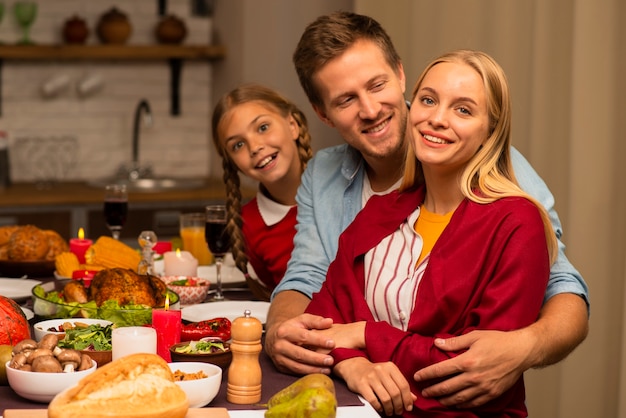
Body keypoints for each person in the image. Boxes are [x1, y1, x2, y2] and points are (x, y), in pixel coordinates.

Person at [265, 10, 589, 409]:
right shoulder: (360, 195)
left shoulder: (507, 189)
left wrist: (523, 346)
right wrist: (287, 333)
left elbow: (560, 289)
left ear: (400, 76)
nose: (369, 109)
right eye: (346, 99)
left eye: (377, 85)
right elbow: (315, 281)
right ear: (323, 113)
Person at [305, 48, 555, 417]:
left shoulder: (518, 223)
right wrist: (351, 365)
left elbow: (472, 372)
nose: (437, 119)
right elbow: (324, 320)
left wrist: (365, 336)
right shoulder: (380, 211)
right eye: (428, 100)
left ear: (490, 131)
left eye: (463, 109)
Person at [211, 84, 313, 300]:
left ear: (292, 125)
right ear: (232, 162)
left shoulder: (345, 185)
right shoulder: (248, 226)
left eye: (263, 127)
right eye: (238, 144)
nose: (255, 147)